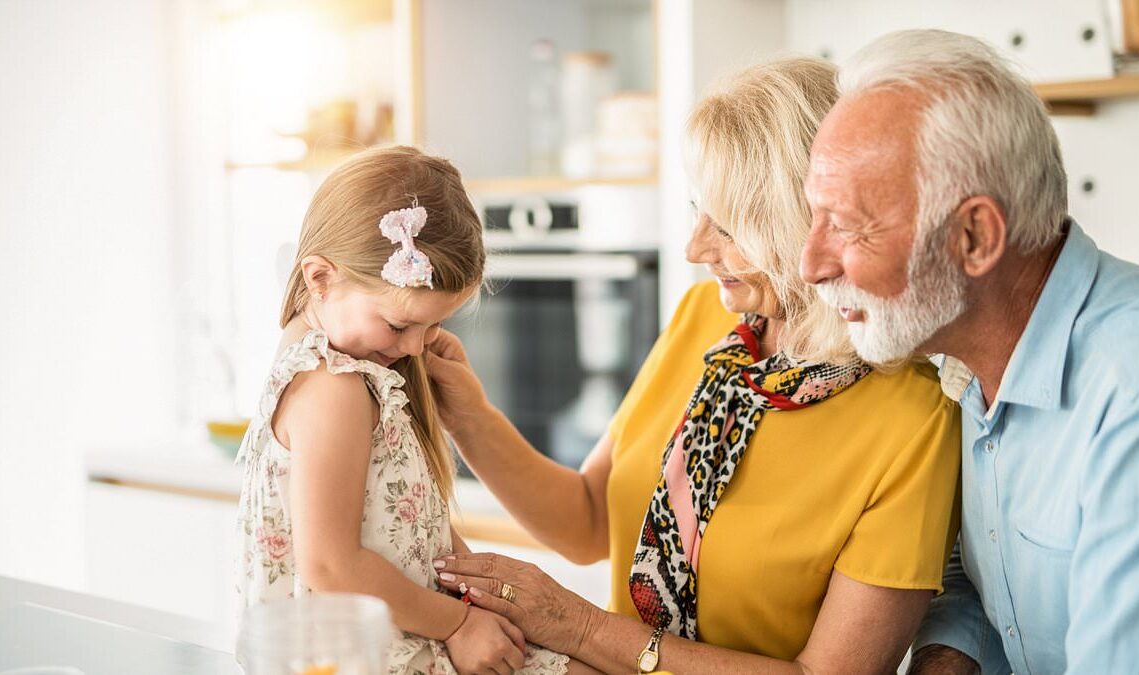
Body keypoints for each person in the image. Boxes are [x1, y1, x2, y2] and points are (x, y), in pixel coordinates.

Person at [424, 58, 962, 674]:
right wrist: (468, 416)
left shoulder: (917, 418)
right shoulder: (707, 320)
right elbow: (586, 520)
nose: (695, 248)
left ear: (806, 228)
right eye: (696, 210)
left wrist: (577, 626)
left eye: (729, 228)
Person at [799, 29, 1139, 675]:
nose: (811, 265)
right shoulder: (966, 355)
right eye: (813, 218)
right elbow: (991, 575)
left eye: (847, 226)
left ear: (974, 237)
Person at [234, 146, 598, 674]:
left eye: (434, 325)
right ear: (320, 279)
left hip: (411, 623)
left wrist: (476, 605)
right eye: (401, 325)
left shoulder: (354, 366)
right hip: (374, 650)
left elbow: (416, 527)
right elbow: (331, 565)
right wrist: (458, 624)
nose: (415, 346)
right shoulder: (332, 388)